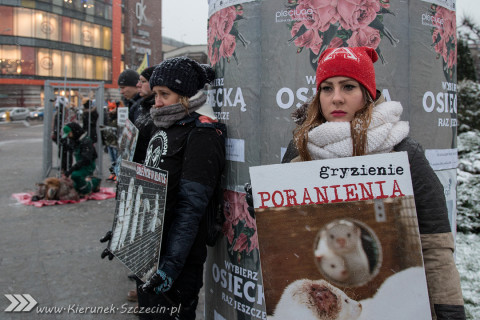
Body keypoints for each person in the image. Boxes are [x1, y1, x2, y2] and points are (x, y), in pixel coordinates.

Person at [281, 47, 465, 320]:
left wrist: (449, 310)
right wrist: (260, 204)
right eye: (327, 89)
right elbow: (284, 234)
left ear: (367, 94)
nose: (337, 98)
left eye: (348, 87)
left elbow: (434, 241)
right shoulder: (301, 148)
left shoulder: (403, 151)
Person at [136, 57, 226, 319]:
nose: (158, 102)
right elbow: (141, 183)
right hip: (147, 248)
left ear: (186, 95)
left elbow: (191, 208)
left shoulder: (203, 132)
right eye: (155, 94)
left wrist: (171, 267)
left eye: (165, 94)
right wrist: (123, 231)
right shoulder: (158, 124)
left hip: (177, 259)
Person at [62, 122, 101, 196]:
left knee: (75, 175)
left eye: (69, 134)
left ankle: (92, 185)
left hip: (88, 166)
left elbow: (86, 159)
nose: (69, 137)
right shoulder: (77, 140)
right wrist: (65, 145)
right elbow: (72, 149)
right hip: (81, 164)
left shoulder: (86, 141)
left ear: (74, 131)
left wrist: (72, 169)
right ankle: (85, 186)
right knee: (75, 185)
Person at [132, 65, 156, 164]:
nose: (138, 85)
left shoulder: (158, 109)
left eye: (143, 81)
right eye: (139, 81)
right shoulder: (141, 106)